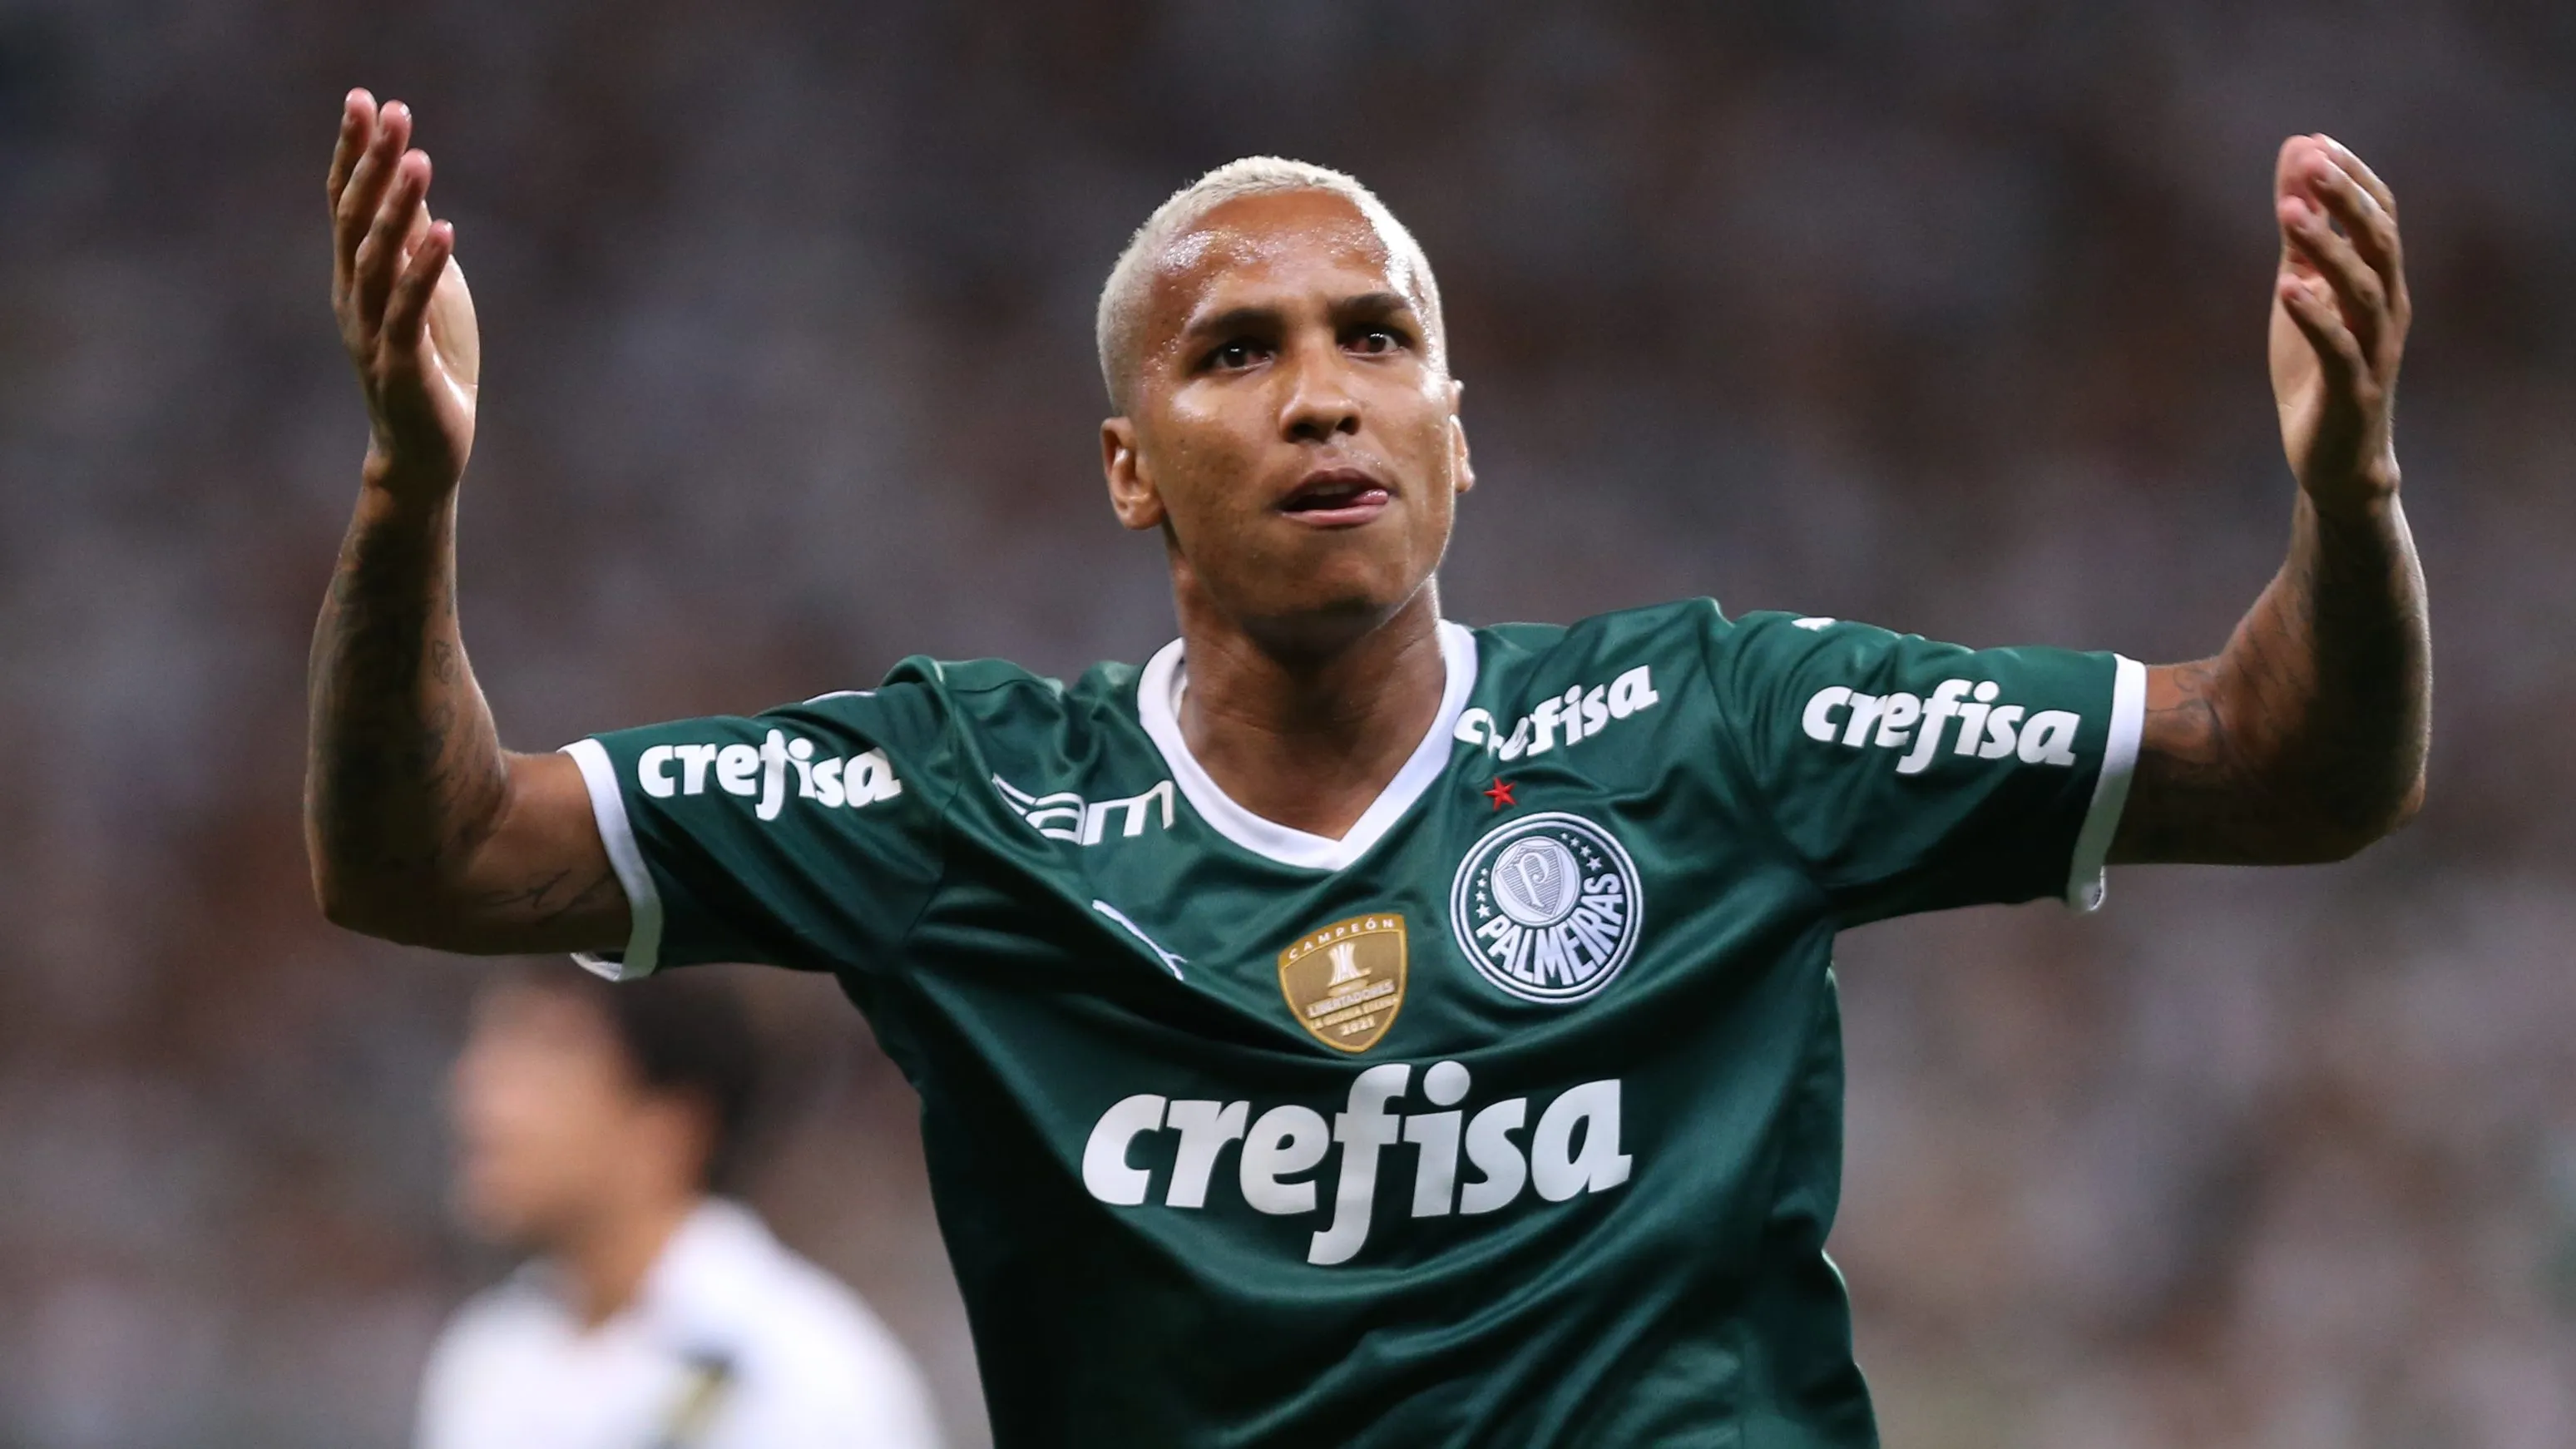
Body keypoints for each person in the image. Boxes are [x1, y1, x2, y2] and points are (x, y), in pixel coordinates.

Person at [309, 83, 2428, 1447]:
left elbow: (2282, 763)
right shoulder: (964, 799)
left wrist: (2351, 499)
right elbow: (438, 853)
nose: (1323, 393)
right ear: (1129, 469)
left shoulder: (1714, 727)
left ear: (1456, 427)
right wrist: (410, 493)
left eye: (1374, 338)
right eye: (1239, 352)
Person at [416, 968, 942, 1449]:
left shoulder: (808, 1373)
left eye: (542, 1052)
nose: (476, 1092)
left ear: (669, 1125)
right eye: (487, 1046)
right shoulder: (485, 1356)